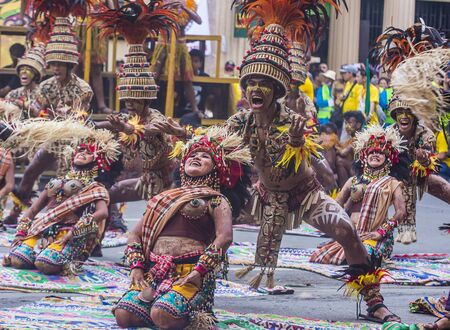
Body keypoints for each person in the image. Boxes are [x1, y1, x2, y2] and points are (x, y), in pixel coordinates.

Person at [226, 0, 398, 322]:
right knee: (206, 210)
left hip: (304, 195)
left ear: (276, 89)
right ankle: (189, 284)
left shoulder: (293, 120)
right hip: (263, 196)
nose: (255, 89)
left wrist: (296, 142)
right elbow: (216, 148)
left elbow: (305, 157)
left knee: (346, 230)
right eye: (250, 83)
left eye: (263, 83)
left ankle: (374, 300)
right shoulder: (240, 122)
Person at [113, 127, 251, 329]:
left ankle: (178, 313)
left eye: (205, 156)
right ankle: (161, 308)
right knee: (123, 316)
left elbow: (225, 237)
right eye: (192, 155)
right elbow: (135, 233)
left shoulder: (215, 199)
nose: (196, 158)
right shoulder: (163, 198)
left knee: (162, 314)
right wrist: (136, 267)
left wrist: (199, 271)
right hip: (154, 272)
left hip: (190, 273)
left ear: (217, 168)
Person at [4, 8, 94, 225]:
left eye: (59, 64)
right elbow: (35, 109)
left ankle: (63, 221)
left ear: (69, 65)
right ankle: (16, 213)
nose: (55, 68)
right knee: (30, 173)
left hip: (74, 142)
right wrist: (22, 111)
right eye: (52, 63)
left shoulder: (83, 89)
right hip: (52, 137)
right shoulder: (46, 85)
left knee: (66, 182)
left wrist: (66, 115)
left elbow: (79, 117)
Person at [3, 123, 121, 275]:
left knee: (44, 264)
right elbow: (33, 210)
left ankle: (59, 256)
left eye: (89, 151)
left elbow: (102, 213)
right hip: (43, 229)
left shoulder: (95, 188)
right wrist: (20, 234)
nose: (82, 152)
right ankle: (36, 252)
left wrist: (73, 232)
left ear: (98, 160)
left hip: (69, 234)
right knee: (19, 260)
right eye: (80, 149)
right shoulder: (56, 182)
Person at [311, 125, 407, 268]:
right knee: (319, 256)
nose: (375, 154)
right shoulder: (353, 181)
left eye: (380, 152)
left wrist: (380, 232)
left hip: (375, 236)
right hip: (351, 235)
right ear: (364, 157)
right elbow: (336, 205)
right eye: (371, 152)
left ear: (388, 159)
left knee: (363, 257)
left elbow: (401, 212)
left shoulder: (392, 183)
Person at [151, 0, 203, 117]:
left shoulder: (188, 3)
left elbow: (199, 21)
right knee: (155, 76)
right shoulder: (161, 2)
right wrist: (168, 7)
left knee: (187, 79)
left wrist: (184, 8)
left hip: (180, 46)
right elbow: (153, 18)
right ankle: (146, 105)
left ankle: (195, 109)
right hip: (163, 44)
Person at [5, 42, 46, 118]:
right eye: (22, 69)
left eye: (28, 69)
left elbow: (40, 113)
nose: (23, 71)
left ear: (36, 74)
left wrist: (23, 105)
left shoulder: (43, 93)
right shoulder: (13, 93)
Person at [336, 111, 366, 187]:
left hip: (362, 172)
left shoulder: (360, 137)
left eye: (350, 123)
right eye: (346, 123)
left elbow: (343, 152)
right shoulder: (352, 138)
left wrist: (334, 145)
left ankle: (344, 188)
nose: (347, 126)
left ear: (358, 125)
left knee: (339, 161)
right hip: (356, 169)